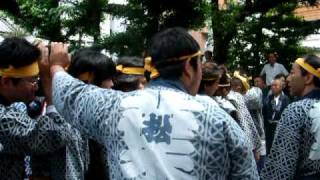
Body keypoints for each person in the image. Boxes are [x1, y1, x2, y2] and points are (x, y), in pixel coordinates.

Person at [47, 27, 259, 179]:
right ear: (188, 67)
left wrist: (56, 65)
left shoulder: (114, 108)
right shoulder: (220, 120)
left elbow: (69, 94)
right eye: (200, 64)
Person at [0, 37, 84, 180]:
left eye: (38, 79)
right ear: (6, 81)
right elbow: (58, 135)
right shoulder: (4, 119)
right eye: (33, 80)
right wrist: (48, 79)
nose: (37, 86)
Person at [261, 55, 320, 179]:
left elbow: (280, 168)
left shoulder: (297, 110)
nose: (288, 78)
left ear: (308, 78)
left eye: (293, 73)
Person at [68, 48, 117, 180]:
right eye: (108, 78)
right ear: (90, 79)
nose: (112, 84)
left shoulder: (104, 115)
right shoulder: (67, 121)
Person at [263, 78, 290, 154]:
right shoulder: (268, 99)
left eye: (275, 85)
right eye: (272, 85)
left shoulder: (286, 99)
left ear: (281, 87)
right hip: (269, 128)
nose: (273, 87)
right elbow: (264, 113)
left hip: (280, 128)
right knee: (269, 149)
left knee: (279, 149)